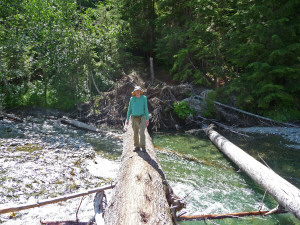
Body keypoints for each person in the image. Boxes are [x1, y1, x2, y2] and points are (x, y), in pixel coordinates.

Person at [126, 86, 149, 151]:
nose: (138, 92)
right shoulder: (132, 99)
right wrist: (127, 119)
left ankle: (143, 146)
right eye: (136, 91)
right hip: (133, 118)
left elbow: (146, 109)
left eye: (139, 91)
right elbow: (129, 109)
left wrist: (147, 119)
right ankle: (137, 146)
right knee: (135, 132)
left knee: (142, 132)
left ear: (140, 92)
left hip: (142, 117)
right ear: (134, 92)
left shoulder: (144, 98)